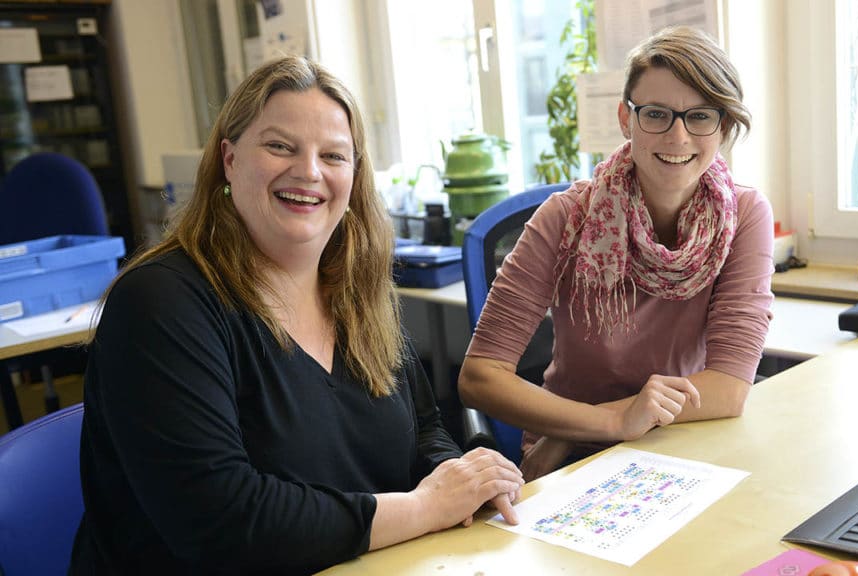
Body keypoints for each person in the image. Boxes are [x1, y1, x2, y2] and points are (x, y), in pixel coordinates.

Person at [70, 56, 523, 575]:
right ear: (229, 159)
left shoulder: (359, 291)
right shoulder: (158, 303)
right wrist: (424, 507)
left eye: (333, 155)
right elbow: (220, 522)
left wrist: (460, 478)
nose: (308, 171)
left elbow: (421, 429)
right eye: (280, 146)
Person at [458, 26, 774, 482]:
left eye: (700, 116)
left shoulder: (744, 215)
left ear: (722, 126)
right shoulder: (565, 217)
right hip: (577, 453)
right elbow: (480, 376)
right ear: (626, 119)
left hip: (684, 439)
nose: (678, 136)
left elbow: (727, 389)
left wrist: (611, 418)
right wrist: (607, 424)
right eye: (657, 114)